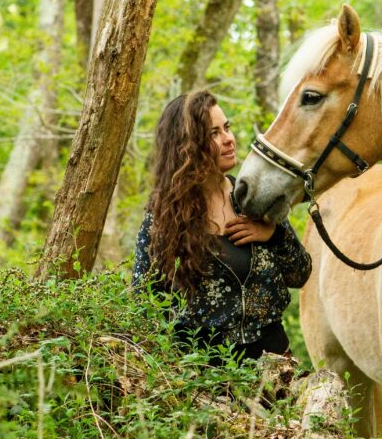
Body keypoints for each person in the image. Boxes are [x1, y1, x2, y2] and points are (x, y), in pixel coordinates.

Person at [132, 91, 311, 360]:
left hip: (274, 370)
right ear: (187, 146)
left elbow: (300, 274)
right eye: (213, 134)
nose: (228, 139)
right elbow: (143, 307)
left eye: (226, 128)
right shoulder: (163, 219)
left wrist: (274, 235)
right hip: (203, 380)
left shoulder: (251, 200)